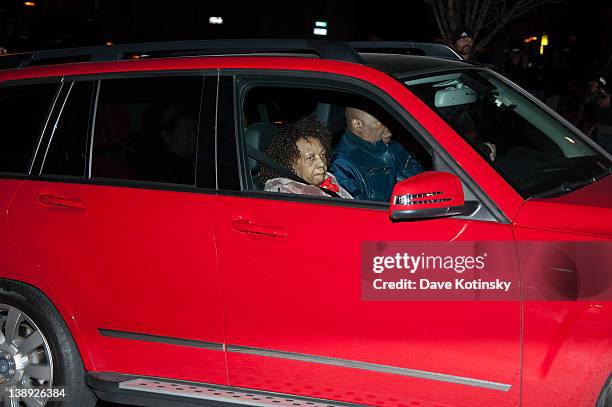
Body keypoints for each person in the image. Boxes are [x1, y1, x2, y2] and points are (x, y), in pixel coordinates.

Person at [330, 107, 423, 202]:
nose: (389, 128)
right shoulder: (342, 163)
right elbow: (358, 211)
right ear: (357, 125)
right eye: (381, 121)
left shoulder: (395, 147)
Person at [262, 117, 352, 198]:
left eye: (322, 155)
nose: (321, 163)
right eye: (310, 158)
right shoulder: (287, 194)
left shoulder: (330, 180)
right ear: (291, 163)